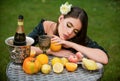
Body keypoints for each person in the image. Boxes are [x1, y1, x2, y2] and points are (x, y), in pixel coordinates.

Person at [28, 2, 108, 64]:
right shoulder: (45, 27)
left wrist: (71, 44)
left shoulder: (77, 38)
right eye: (69, 25)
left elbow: (104, 59)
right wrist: (51, 51)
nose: (70, 32)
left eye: (75, 31)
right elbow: (20, 47)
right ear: (61, 18)